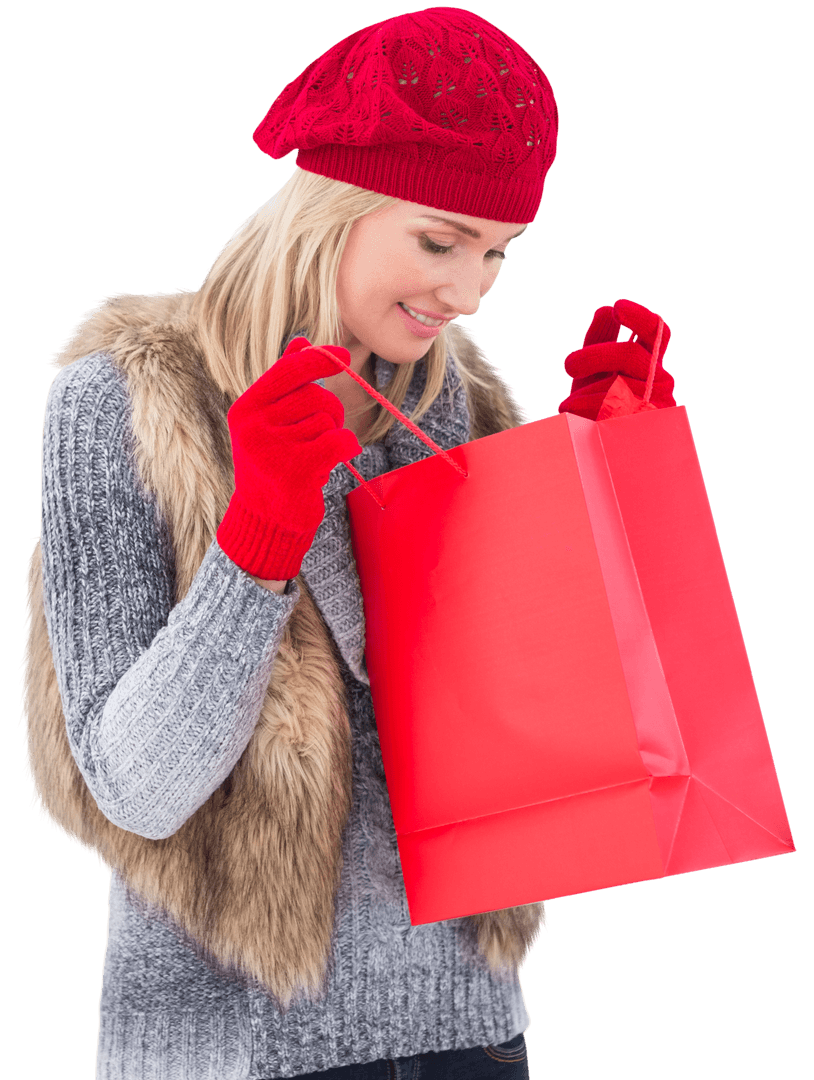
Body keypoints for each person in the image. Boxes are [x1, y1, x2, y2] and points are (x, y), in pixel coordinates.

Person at [21, 7, 675, 1079]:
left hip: (474, 1029)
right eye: (437, 240)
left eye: (497, 253)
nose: (465, 291)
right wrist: (259, 540)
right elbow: (131, 790)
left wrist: (609, 499)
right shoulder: (130, 399)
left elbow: (539, 745)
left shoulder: (460, 404)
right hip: (237, 1049)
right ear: (332, 205)